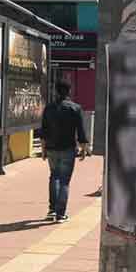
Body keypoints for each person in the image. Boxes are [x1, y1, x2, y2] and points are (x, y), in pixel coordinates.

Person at [41, 80, 89, 222]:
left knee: (54, 176)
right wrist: (84, 149)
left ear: (55, 91)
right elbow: (81, 131)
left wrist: (43, 149)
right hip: (68, 148)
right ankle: (60, 213)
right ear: (69, 92)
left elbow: (44, 131)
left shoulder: (49, 108)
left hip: (51, 148)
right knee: (64, 181)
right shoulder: (75, 108)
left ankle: (52, 210)